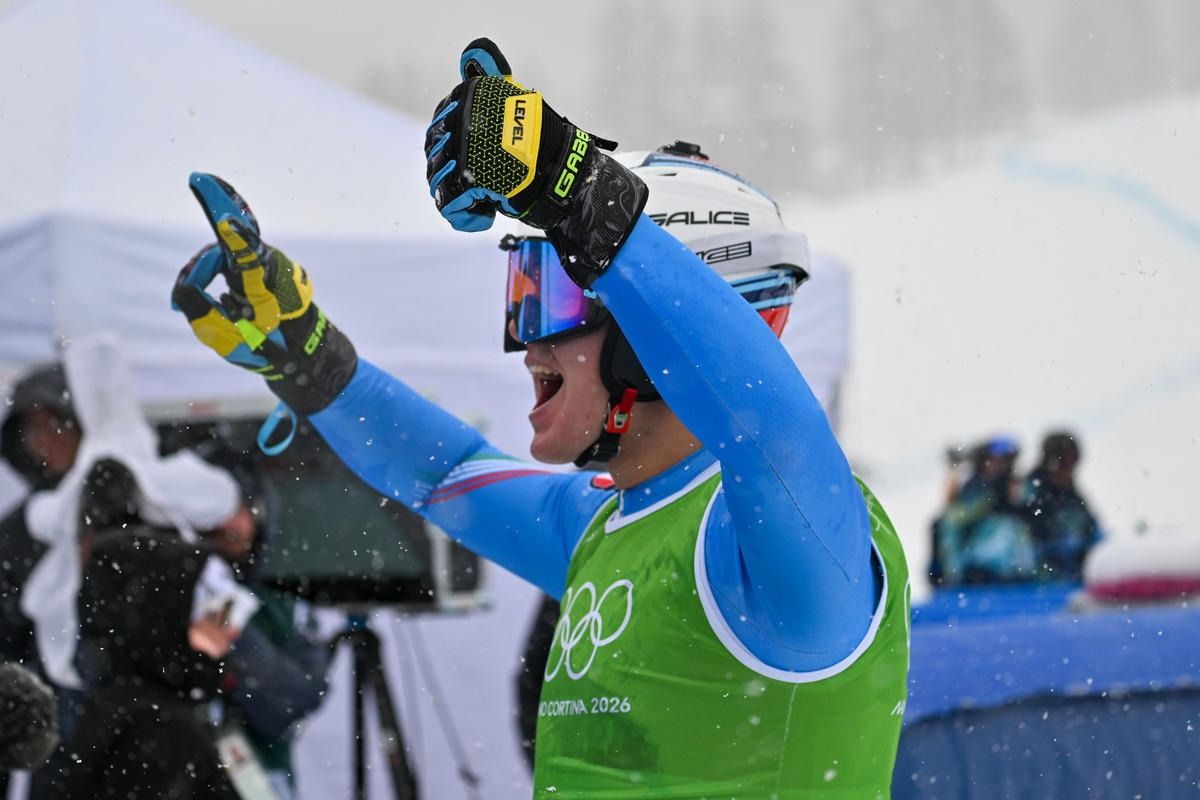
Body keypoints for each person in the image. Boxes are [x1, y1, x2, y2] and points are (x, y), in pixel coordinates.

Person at [173, 39, 910, 798]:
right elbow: (446, 472)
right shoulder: (603, 527)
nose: (528, 346)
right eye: (523, 295)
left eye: (555, 299)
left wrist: (582, 194)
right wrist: (316, 366)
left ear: (653, 328)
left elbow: (774, 432)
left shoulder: (790, 542)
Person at [188, 437, 331, 800]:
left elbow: (286, 705)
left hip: (259, 786)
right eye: (206, 509)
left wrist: (230, 627)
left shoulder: (284, 609)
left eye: (233, 506)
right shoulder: (149, 597)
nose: (220, 523)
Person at [929, 436, 1037, 585]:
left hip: (1009, 568)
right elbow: (954, 517)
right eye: (994, 460)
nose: (999, 466)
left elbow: (1025, 511)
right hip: (973, 566)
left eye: (1007, 461)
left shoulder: (1015, 485)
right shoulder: (975, 487)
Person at [1022, 430, 1102, 581]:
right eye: (1065, 463)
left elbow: (1092, 528)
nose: (1070, 470)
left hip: (1071, 570)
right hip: (1038, 572)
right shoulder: (1031, 490)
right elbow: (1032, 532)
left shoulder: (1072, 495)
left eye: (1073, 463)